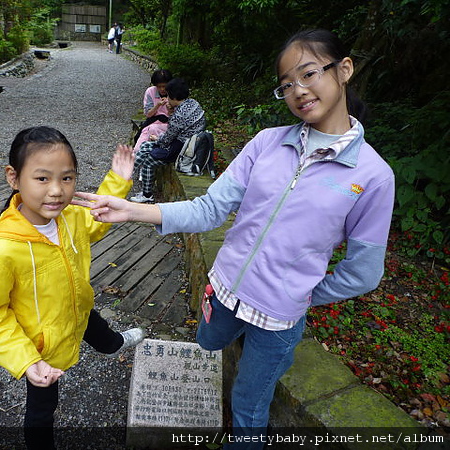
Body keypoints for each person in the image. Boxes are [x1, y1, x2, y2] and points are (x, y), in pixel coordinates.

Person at [73, 29, 395, 449]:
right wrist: (131, 210)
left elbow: (364, 273)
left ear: (344, 69)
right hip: (224, 289)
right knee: (208, 342)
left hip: (279, 319)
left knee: (248, 407)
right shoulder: (266, 144)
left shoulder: (372, 176)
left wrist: (299, 295)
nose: (298, 91)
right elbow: (208, 209)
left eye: (309, 74)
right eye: (286, 84)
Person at [0, 126, 145, 450]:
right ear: (13, 177)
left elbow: (96, 222)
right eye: (42, 178)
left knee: (102, 334)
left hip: (78, 309)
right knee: (41, 411)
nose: (56, 191)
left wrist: (118, 180)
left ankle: (116, 344)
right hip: (43, 348)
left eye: (67, 178)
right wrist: (26, 360)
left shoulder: (70, 217)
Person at [131, 77, 206, 203]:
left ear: (173, 96)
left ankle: (145, 193)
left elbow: (166, 140)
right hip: (187, 144)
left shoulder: (179, 115)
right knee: (145, 147)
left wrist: (157, 138)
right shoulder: (193, 103)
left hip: (180, 149)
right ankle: (129, 173)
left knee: (149, 159)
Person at [133, 69, 173, 153]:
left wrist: (169, 106)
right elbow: (148, 114)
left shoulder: (174, 93)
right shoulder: (150, 91)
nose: (162, 89)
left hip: (168, 125)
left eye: (164, 86)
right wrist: (158, 105)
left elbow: (176, 115)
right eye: (159, 86)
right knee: (137, 149)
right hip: (152, 122)